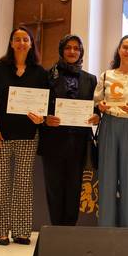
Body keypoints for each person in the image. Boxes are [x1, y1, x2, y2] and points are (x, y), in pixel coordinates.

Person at [0, 27, 47, 245]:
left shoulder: (40, 72)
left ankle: (22, 231)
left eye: (26, 39)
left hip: (28, 135)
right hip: (1, 134)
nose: (22, 43)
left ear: (31, 44)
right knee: (0, 183)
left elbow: (45, 103)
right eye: (17, 39)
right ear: (11, 43)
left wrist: (40, 118)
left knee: (23, 184)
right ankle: (0, 231)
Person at [38, 35, 98, 227]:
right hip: (53, 141)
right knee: (54, 188)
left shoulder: (90, 79)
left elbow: (95, 107)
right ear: (61, 50)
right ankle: (55, 230)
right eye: (68, 48)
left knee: (74, 188)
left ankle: (69, 231)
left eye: (76, 49)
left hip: (78, 143)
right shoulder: (47, 76)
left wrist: (97, 115)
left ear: (81, 52)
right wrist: (46, 118)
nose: (72, 52)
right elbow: (39, 105)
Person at [94, 35, 128, 227]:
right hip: (109, 124)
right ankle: (106, 226)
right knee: (107, 177)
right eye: (124, 47)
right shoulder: (106, 75)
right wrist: (99, 106)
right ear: (119, 50)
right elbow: (96, 101)